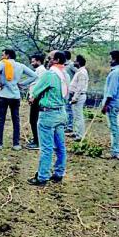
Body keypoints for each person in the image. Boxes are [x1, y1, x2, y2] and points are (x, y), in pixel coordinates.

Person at [28, 51, 70, 186]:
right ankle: (59, 173)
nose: (48, 60)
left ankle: (42, 177)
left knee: (46, 147)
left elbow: (35, 91)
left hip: (48, 114)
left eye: (50, 58)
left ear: (56, 60)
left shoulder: (49, 74)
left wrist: (31, 97)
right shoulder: (66, 75)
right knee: (60, 146)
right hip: (61, 112)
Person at [0, 49, 37, 150]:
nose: (2, 56)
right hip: (15, 96)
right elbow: (34, 76)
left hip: (3, 95)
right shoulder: (20, 66)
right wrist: (22, 84)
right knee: (16, 120)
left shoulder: (3, 63)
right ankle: (16, 144)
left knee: (1, 120)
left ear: (7, 55)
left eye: (3, 54)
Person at [101, 50, 119, 160]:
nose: (109, 60)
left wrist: (105, 105)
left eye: (111, 58)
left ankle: (115, 151)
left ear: (115, 59)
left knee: (114, 128)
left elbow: (111, 92)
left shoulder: (115, 73)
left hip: (113, 104)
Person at [26, 53, 47, 150]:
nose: (32, 63)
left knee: (34, 120)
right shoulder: (38, 71)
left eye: (33, 61)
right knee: (33, 120)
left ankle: (37, 142)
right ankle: (36, 139)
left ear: (39, 61)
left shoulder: (42, 71)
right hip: (35, 97)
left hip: (37, 98)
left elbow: (39, 86)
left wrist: (33, 97)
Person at [68, 55, 89, 141]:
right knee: (75, 115)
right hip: (76, 96)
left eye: (75, 61)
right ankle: (76, 132)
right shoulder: (79, 71)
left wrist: (75, 98)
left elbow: (80, 87)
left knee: (78, 116)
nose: (74, 62)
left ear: (79, 62)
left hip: (79, 96)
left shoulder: (82, 72)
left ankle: (80, 135)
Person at [64, 50, 76, 133]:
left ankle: (70, 126)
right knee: (65, 108)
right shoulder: (64, 65)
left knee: (68, 108)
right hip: (65, 89)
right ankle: (66, 125)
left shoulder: (71, 65)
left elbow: (78, 73)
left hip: (71, 90)